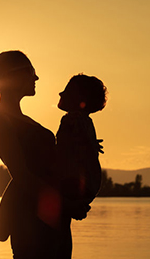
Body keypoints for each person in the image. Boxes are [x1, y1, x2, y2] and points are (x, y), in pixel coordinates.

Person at [0, 50, 88, 258]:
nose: (36, 77)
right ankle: (0, 223)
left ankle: (0, 223)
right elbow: (22, 175)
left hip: (54, 217)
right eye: (31, 71)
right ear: (13, 77)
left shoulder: (23, 120)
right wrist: (66, 204)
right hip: (31, 223)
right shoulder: (0, 123)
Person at [55, 74, 107, 209]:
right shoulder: (85, 121)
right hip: (88, 185)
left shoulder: (72, 120)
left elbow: (66, 152)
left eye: (67, 91)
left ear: (79, 99)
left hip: (75, 184)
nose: (60, 93)